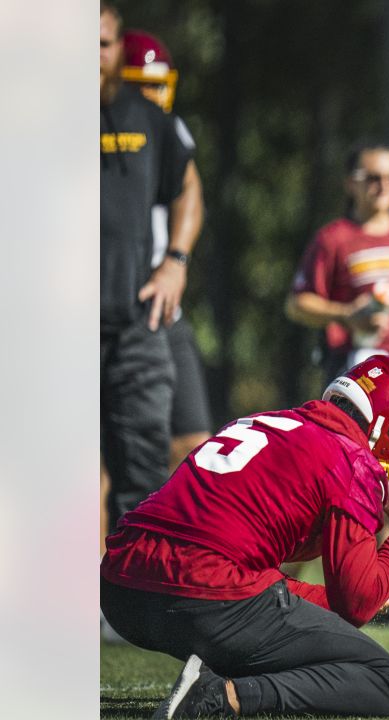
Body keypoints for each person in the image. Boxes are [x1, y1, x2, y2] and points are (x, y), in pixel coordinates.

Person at [100, 355, 389, 718]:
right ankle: (221, 698)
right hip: (203, 594)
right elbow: (356, 603)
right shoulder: (351, 457)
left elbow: (253, 575)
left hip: (121, 590)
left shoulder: (265, 422)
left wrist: (330, 599)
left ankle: (216, 676)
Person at [100, 3, 201, 539]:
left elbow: (188, 188)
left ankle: (133, 588)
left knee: (153, 459)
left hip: (144, 316)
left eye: (103, 45)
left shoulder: (151, 122)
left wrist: (175, 263)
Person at [288, 143, 389, 412]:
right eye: (373, 178)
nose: (385, 185)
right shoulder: (333, 238)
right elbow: (298, 304)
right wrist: (346, 315)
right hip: (353, 370)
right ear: (350, 183)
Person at [120, 27, 214, 472]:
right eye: (142, 85)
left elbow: (190, 190)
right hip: (111, 309)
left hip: (164, 308)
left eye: (159, 85)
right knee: (114, 456)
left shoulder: (166, 128)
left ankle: (179, 543)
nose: (152, 96)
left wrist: (176, 262)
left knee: (196, 446)